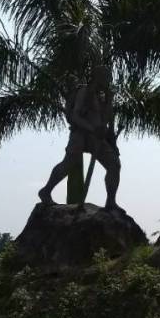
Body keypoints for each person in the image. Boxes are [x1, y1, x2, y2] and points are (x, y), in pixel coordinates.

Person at [38, 66, 122, 210]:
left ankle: (111, 201)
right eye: (106, 77)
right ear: (98, 77)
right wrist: (91, 128)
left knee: (114, 164)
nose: (109, 80)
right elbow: (74, 116)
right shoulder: (84, 91)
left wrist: (110, 138)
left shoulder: (104, 96)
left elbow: (107, 120)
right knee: (69, 163)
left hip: (98, 137)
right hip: (81, 134)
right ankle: (46, 191)